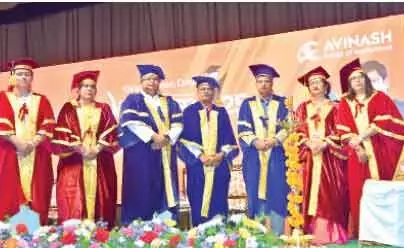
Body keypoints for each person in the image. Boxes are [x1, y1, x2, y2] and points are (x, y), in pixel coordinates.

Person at [333, 59, 404, 240]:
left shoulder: (380, 97)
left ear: (366, 79)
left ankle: (388, 233)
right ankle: (366, 234)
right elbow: (343, 130)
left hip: (380, 150)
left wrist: (361, 137)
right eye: (353, 79)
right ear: (349, 84)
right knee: (359, 190)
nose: (357, 81)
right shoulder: (344, 102)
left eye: (360, 77)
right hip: (356, 154)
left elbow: (384, 122)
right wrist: (359, 149)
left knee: (383, 187)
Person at [0, 58, 55, 223]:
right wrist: (18, 143)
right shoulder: (3, 97)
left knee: (37, 196)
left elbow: (47, 125)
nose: (24, 77)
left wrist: (31, 144)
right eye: (19, 74)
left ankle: (34, 233)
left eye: (27, 74)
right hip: (8, 155)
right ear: (12, 76)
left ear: (32, 78)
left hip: (35, 155)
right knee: (7, 197)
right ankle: (7, 234)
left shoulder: (41, 100)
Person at [53, 70, 119, 226]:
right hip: (74, 161)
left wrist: (96, 149)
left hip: (100, 160)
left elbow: (111, 131)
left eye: (93, 86)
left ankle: (101, 233)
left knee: (103, 199)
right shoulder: (69, 108)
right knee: (73, 201)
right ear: (78, 89)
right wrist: (81, 149)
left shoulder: (104, 108)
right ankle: (75, 235)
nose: (90, 89)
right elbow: (63, 132)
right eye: (86, 86)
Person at [118, 64, 183, 222]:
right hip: (141, 155)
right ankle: (138, 228)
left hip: (165, 154)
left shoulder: (170, 103)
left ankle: (165, 226)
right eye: (148, 79)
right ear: (141, 81)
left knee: (164, 190)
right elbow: (131, 123)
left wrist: (166, 138)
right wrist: (154, 137)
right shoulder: (133, 100)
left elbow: (178, 124)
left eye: (155, 79)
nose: (152, 82)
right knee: (141, 188)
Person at [293, 67, 350, 245]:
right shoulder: (302, 108)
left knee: (330, 195)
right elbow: (297, 130)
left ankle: (330, 233)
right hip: (309, 157)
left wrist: (325, 143)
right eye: (311, 83)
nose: (315, 85)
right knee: (307, 192)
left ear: (326, 86)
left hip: (330, 158)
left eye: (318, 82)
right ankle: (310, 232)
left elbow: (341, 131)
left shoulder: (336, 107)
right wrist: (308, 143)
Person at [236, 65, 290, 234]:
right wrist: (255, 141)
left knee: (277, 191)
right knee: (255, 192)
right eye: (260, 81)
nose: (263, 84)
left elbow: (288, 126)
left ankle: (277, 233)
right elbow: (242, 128)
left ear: (272, 83)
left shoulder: (282, 103)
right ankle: (258, 235)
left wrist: (275, 140)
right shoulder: (247, 104)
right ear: (256, 84)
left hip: (276, 155)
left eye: (267, 81)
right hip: (254, 156)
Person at [179, 76, 238, 226]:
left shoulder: (221, 112)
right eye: (202, 89)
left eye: (209, 89)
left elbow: (230, 141)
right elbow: (183, 142)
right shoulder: (189, 112)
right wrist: (200, 156)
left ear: (214, 92)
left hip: (219, 168)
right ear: (197, 92)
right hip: (197, 169)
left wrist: (221, 155)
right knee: (198, 204)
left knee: (219, 205)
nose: (206, 91)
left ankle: (221, 238)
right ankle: (199, 236)